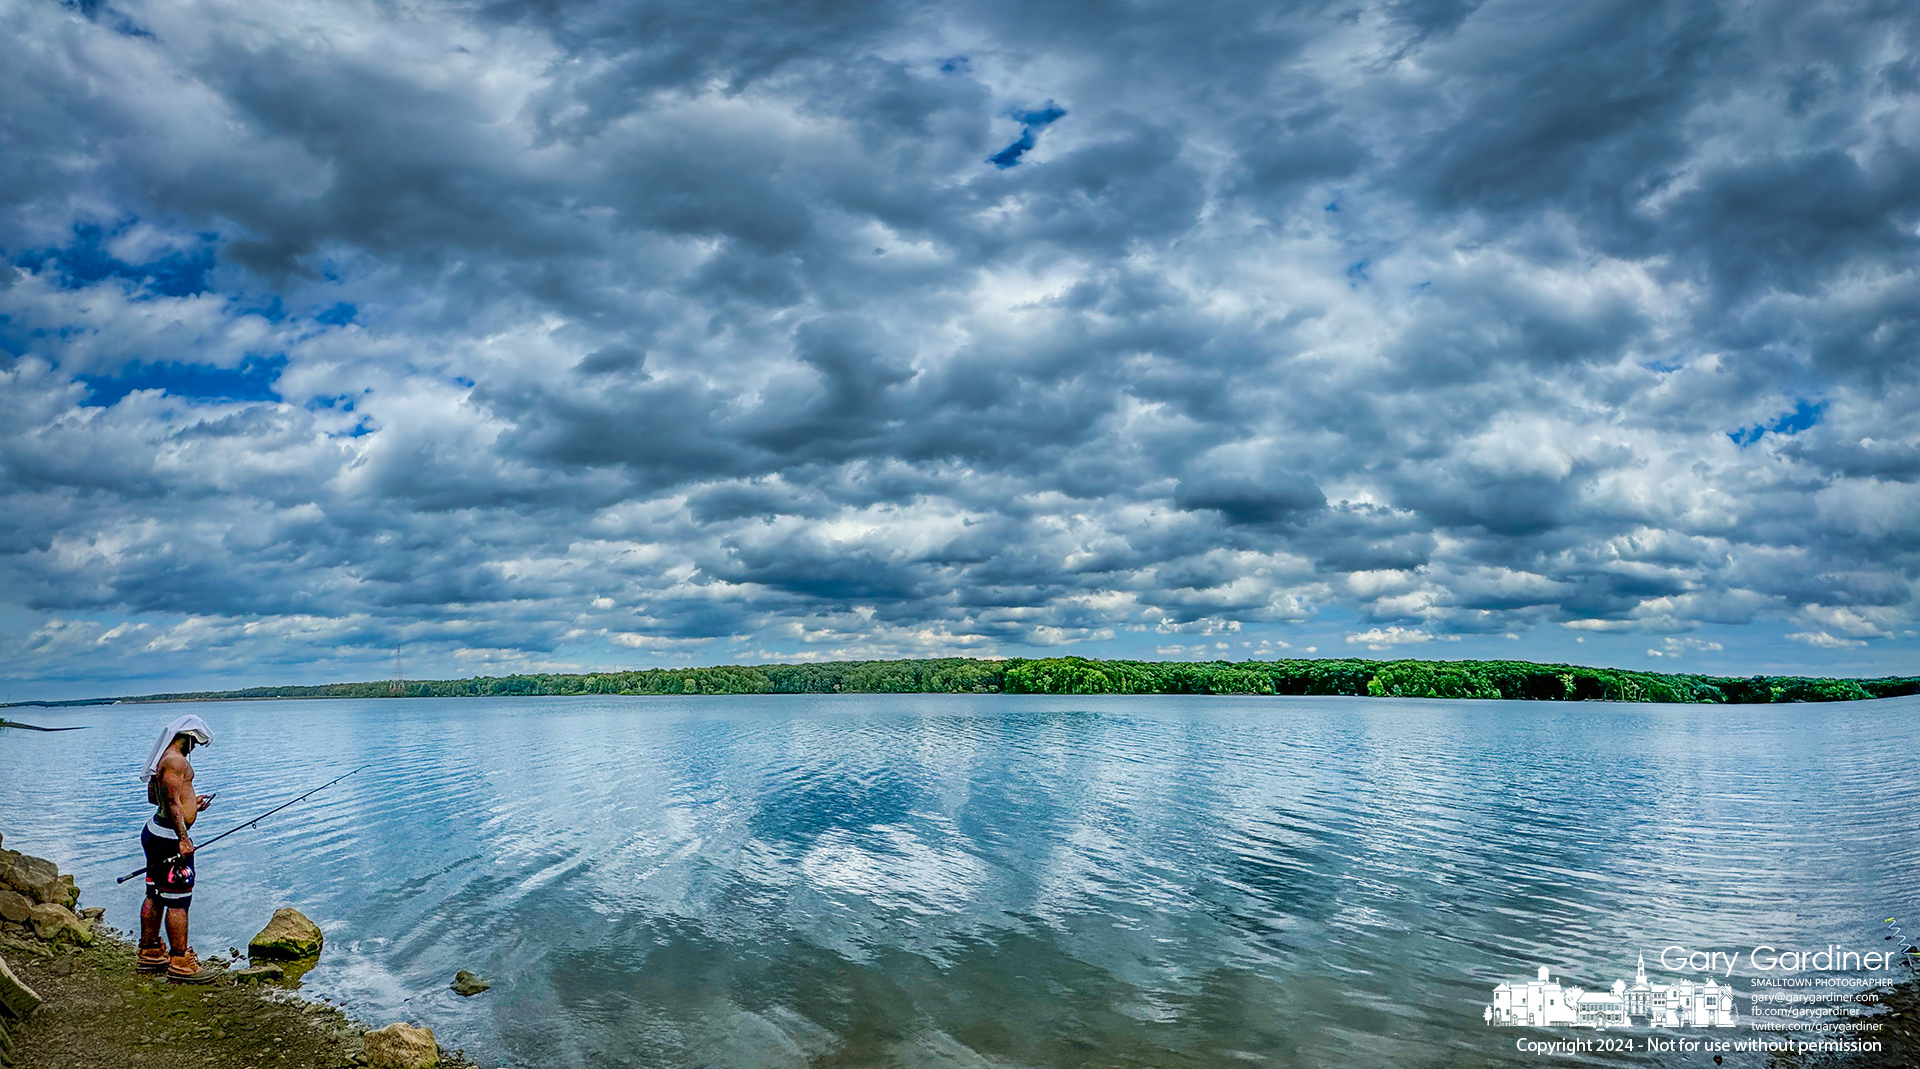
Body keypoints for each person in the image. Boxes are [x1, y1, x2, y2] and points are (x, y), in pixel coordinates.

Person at [135, 714, 219, 983]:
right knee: (179, 900)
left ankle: (150, 952)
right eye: (194, 741)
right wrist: (183, 839)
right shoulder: (175, 760)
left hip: (156, 833)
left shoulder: (164, 759)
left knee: (155, 893)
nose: (195, 747)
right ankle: (181, 961)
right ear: (187, 737)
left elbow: (155, 797)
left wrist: (193, 802)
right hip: (169, 838)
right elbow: (171, 802)